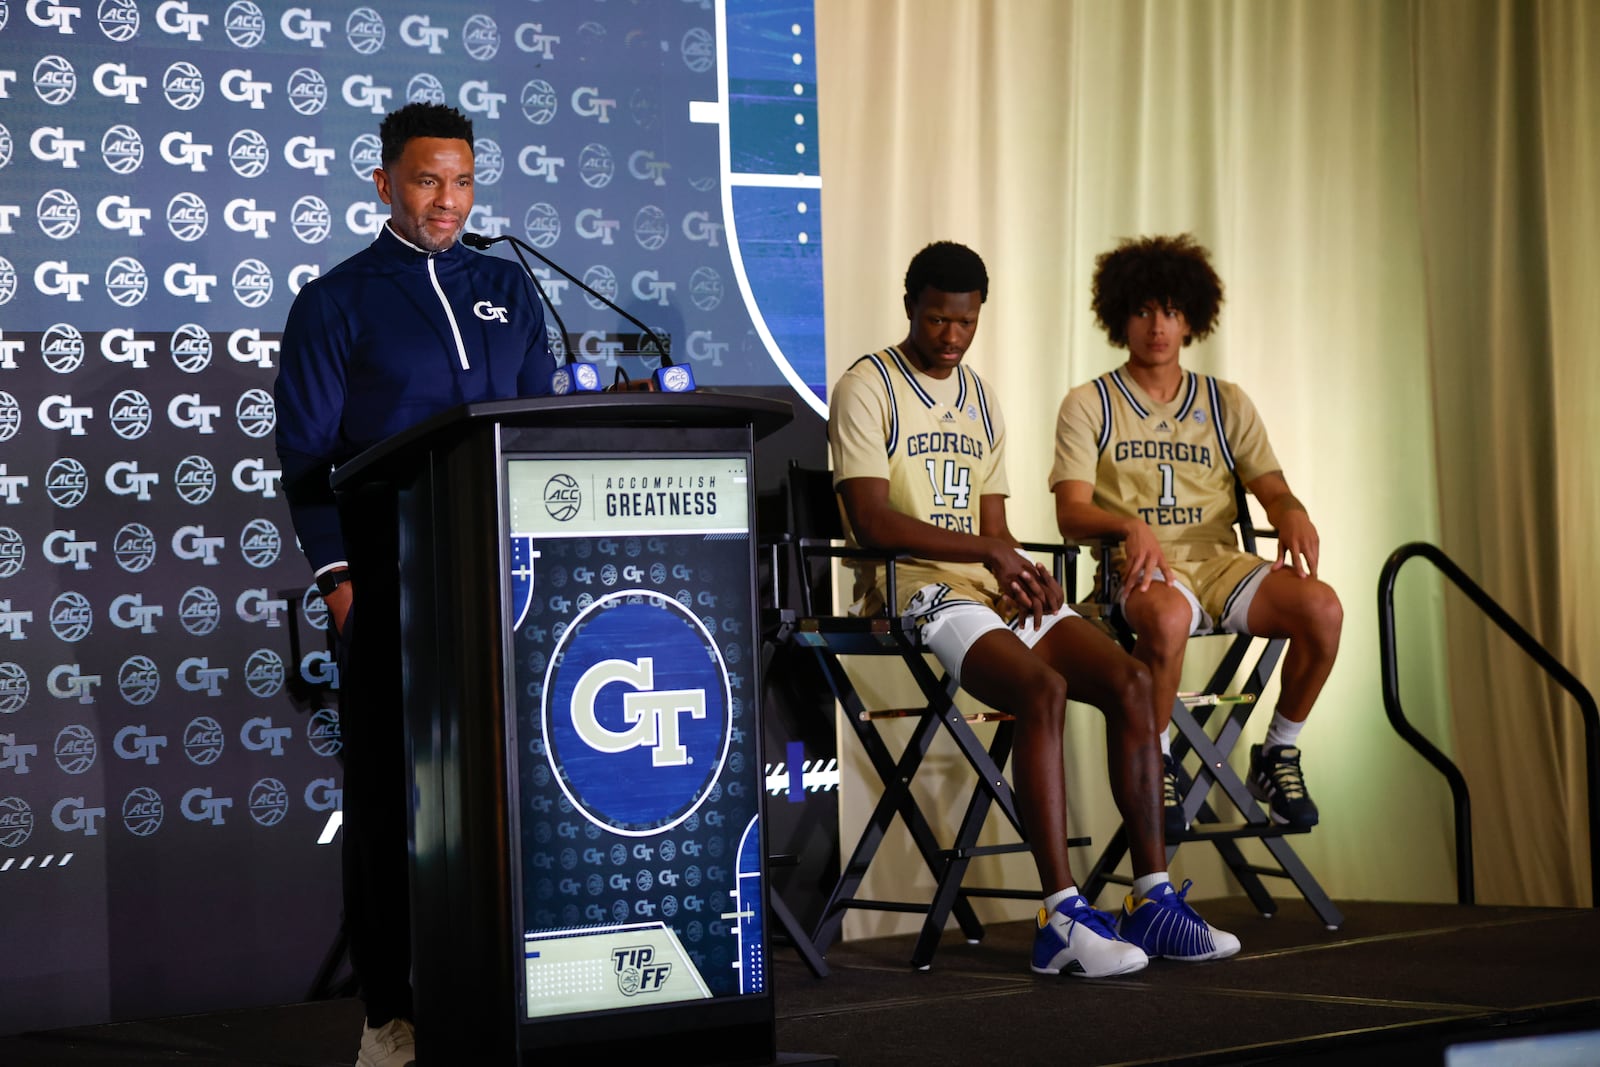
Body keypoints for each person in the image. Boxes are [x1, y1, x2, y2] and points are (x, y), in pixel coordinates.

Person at [828, 240, 1238, 978]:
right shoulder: (867, 386)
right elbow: (872, 523)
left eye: (965, 321)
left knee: (1134, 684)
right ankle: (1059, 915)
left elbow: (994, 529)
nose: (951, 336)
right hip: (913, 588)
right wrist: (991, 555)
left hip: (985, 586)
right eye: (935, 320)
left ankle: (1151, 897)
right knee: (1041, 688)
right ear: (909, 308)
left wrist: (1016, 567)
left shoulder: (980, 396)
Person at [274, 102, 556, 1067]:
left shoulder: (507, 285)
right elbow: (307, 457)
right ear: (384, 182)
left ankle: (514, 995)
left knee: (517, 795)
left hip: (507, 593)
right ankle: (388, 1017)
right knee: (394, 803)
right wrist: (342, 582)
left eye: (464, 182)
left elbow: (541, 428)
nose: (449, 201)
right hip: (390, 588)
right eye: (429, 180)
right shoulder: (336, 300)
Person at [1051, 233, 1343, 837]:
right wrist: (1128, 525)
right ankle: (1154, 759)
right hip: (1138, 571)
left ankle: (1277, 752)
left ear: (1192, 319)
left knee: (1323, 608)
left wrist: (1291, 510)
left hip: (1221, 563)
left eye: (1172, 311)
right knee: (1166, 617)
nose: (1158, 325)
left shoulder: (1224, 400)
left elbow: (1273, 488)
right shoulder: (1090, 403)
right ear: (1119, 317)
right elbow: (1070, 515)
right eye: (1143, 310)